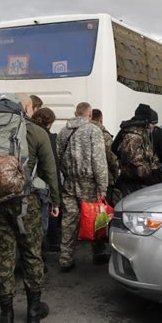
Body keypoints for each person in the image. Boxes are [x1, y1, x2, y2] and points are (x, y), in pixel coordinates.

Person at [0, 94, 60, 323]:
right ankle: (33, 310)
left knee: (4, 255)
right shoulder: (36, 132)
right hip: (27, 202)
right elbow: (49, 171)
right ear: (25, 109)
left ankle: (6, 313)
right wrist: (55, 201)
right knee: (32, 253)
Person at [57, 102, 108, 272]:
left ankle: (65, 258)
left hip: (70, 181)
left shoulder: (64, 132)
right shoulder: (94, 131)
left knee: (69, 219)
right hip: (89, 182)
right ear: (90, 113)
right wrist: (103, 185)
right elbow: (99, 161)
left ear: (75, 113)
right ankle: (98, 253)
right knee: (95, 218)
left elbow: (59, 156)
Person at [112, 104, 162, 197]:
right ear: (147, 119)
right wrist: (151, 174)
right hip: (136, 183)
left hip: (133, 179)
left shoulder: (130, 130)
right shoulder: (135, 133)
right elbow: (135, 163)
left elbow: (114, 148)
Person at [32, 107, 62, 251]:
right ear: (50, 123)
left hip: (25, 185)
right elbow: (52, 170)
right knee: (41, 225)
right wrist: (56, 200)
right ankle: (45, 249)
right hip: (42, 187)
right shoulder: (49, 138)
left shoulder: (26, 132)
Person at [91, 109, 119, 204]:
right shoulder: (104, 135)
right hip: (105, 179)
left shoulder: (81, 132)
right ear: (101, 119)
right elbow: (112, 159)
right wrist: (115, 175)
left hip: (86, 181)